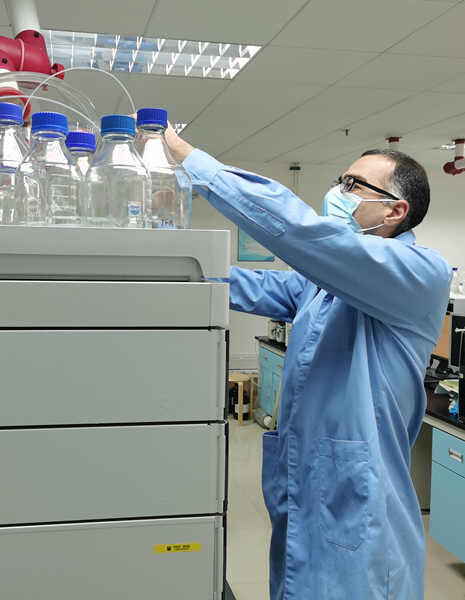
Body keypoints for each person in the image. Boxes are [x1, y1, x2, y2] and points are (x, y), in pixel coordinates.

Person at [164, 128, 452, 600]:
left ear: (395, 211)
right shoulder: (323, 283)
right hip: (306, 495)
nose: (338, 191)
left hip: (360, 507)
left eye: (353, 185)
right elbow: (246, 285)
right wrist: (165, 261)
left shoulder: (421, 273)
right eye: (341, 180)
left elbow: (304, 234)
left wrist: (193, 161)